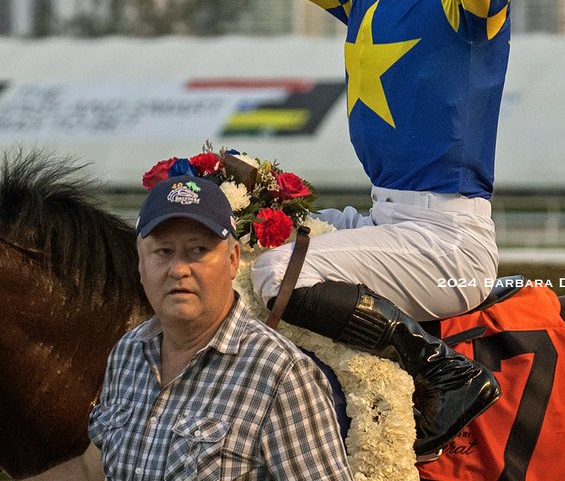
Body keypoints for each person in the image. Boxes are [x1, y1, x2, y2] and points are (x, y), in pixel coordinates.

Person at [220, 0, 514, 460]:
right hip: (388, 221)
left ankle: (440, 371)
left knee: (275, 272)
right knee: (251, 239)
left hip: (446, 240)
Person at [26, 175, 355, 481]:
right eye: (163, 252)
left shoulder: (279, 373)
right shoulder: (128, 353)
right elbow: (91, 469)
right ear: (141, 265)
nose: (178, 269)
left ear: (231, 260)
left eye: (198, 250)